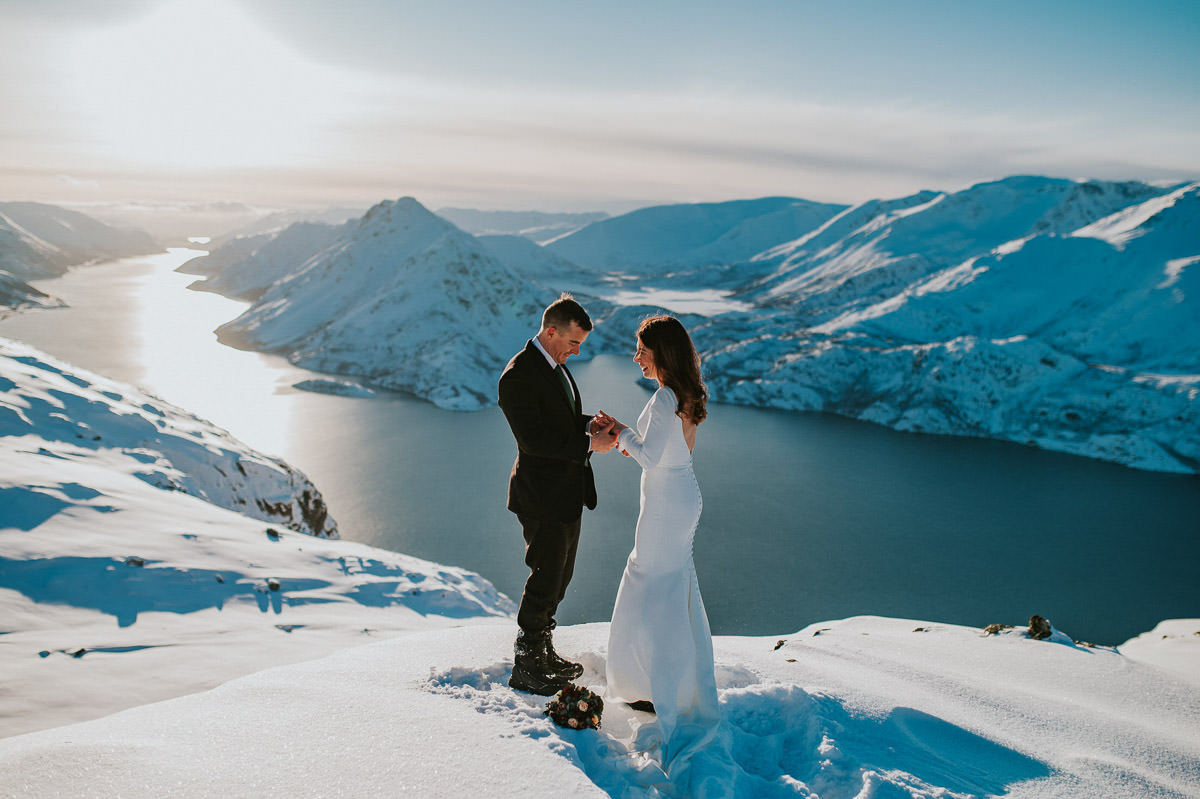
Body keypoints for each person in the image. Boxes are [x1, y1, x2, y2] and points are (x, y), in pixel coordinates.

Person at [596, 315, 721, 778]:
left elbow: (648, 456)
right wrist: (627, 431)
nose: (636, 356)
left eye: (642, 350)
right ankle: (670, 681)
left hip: (666, 505)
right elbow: (661, 452)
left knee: (649, 581)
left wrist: (622, 435)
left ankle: (654, 686)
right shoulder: (682, 393)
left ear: (661, 353)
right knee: (669, 584)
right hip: (680, 494)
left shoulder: (666, 395)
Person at [498, 294, 618, 695]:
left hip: (565, 495)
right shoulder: (518, 375)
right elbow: (534, 440)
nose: (577, 351)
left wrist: (590, 426)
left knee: (560, 579)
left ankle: (543, 652)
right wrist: (589, 445)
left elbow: (560, 421)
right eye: (573, 343)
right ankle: (526, 664)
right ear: (551, 332)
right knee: (545, 577)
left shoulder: (554, 366)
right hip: (542, 496)